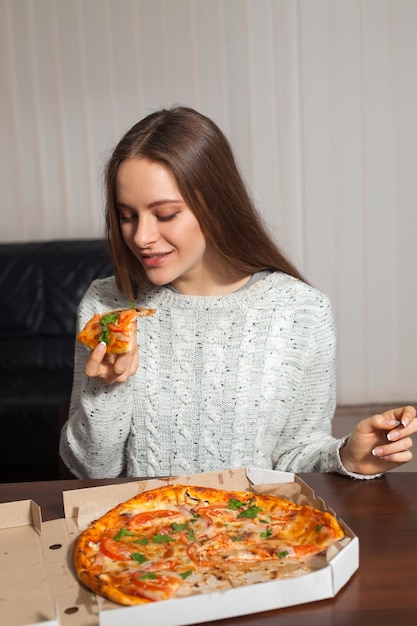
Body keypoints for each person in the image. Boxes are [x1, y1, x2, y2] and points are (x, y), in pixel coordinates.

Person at [59, 106, 416, 480]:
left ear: (215, 205)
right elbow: (91, 471)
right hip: (143, 530)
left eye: (165, 215)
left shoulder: (300, 312)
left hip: (250, 532)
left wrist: (348, 458)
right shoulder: (108, 307)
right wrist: (106, 388)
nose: (141, 237)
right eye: (127, 216)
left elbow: (296, 457)